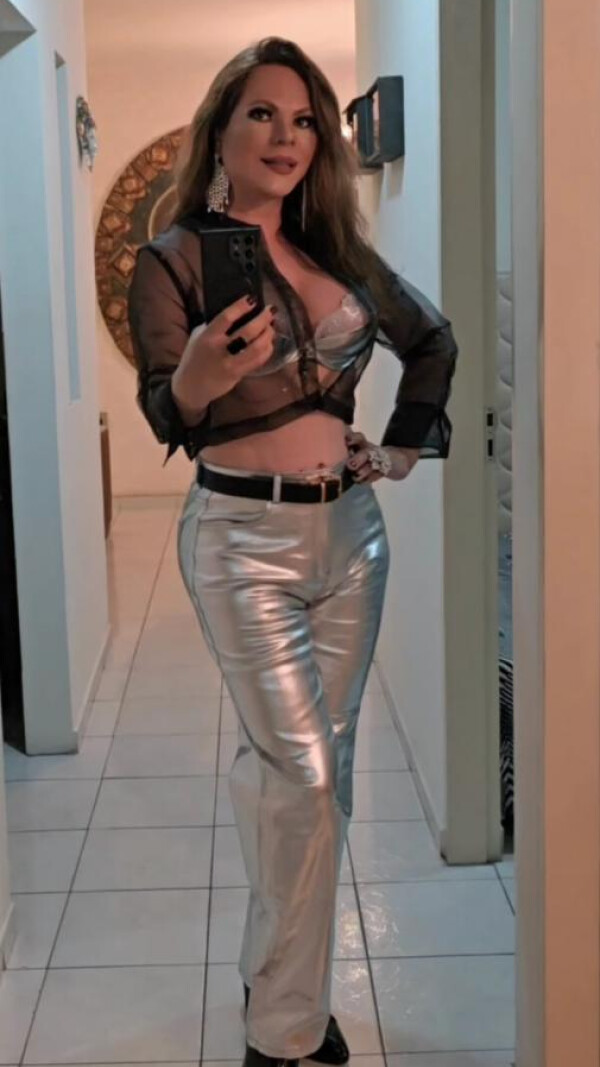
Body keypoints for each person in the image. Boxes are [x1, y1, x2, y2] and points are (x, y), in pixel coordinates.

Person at [127, 36, 458, 1067]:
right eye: (263, 114)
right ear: (221, 129)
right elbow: (165, 410)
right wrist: (199, 372)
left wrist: (400, 447)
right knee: (303, 775)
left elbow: (432, 340)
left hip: (351, 536)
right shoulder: (176, 258)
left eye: (306, 119)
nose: (286, 136)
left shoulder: (338, 254)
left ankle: (279, 988)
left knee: (316, 779)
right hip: (240, 539)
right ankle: (280, 1030)